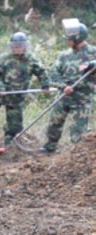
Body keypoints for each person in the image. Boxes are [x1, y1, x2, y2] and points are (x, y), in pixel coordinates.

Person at [0, 32, 50, 145]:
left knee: (14, 126)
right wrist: (0, 87)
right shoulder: (3, 59)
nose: (18, 48)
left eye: (20, 46)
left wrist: (45, 85)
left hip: (16, 97)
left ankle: (9, 145)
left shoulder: (31, 60)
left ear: (25, 46)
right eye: (15, 46)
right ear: (11, 46)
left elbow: (42, 73)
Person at [40, 19, 96, 153]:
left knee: (78, 131)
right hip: (64, 96)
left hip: (82, 99)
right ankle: (50, 146)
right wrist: (63, 86)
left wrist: (91, 65)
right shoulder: (64, 55)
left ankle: (80, 155)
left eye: (69, 39)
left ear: (77, 38)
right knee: (54, 122)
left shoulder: (93, 52)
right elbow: (53, 73)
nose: (67, 41)